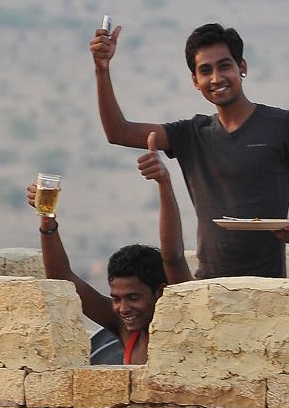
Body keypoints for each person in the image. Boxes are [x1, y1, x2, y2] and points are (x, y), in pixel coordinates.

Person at [91, 20, 289, 278]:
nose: (216, 78)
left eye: (224, 66)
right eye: (205, 71)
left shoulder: (283, 125)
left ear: (242, 67)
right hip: (207, 289)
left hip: (268, 289)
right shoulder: (191, 134)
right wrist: (101, 70)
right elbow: (118, 132)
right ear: (195, 80)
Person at [25, 133, 192, 365]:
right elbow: (62, 279)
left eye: (133, 297)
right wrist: (47, 219)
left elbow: (173, 256)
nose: (123, 308)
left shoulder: (182, 322)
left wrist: (164, 184)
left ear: (161, 292)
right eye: (116, 298)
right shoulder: (125, 328)